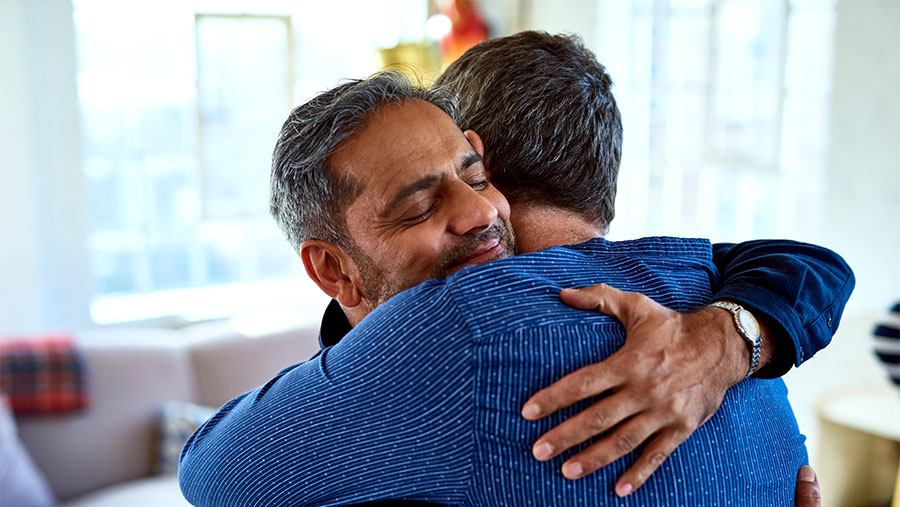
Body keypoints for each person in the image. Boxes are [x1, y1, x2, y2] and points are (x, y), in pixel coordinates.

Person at [179, 68, 850, 505]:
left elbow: (208, 473)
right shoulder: (708, 287)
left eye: (475, 177)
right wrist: (732, 331)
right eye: (418, 206)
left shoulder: (457, 329)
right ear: (331, 268)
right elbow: (810, 265)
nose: (477, 214)